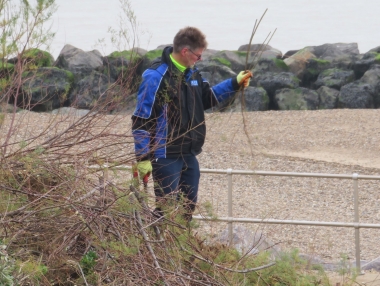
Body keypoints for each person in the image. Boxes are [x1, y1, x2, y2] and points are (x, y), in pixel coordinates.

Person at [131, 26, 252, 222]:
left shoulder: (192, 74)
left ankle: (180, 246)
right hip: (165, 154)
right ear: (185, 51)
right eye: (198, 56)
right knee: (167, 209)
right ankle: (161, 247)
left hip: (189, 153)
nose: (199, 60)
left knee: (188, 207)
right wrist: (143, 158)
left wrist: (234, 83)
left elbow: (208, 98)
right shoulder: (155, 77)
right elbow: (141, 120)